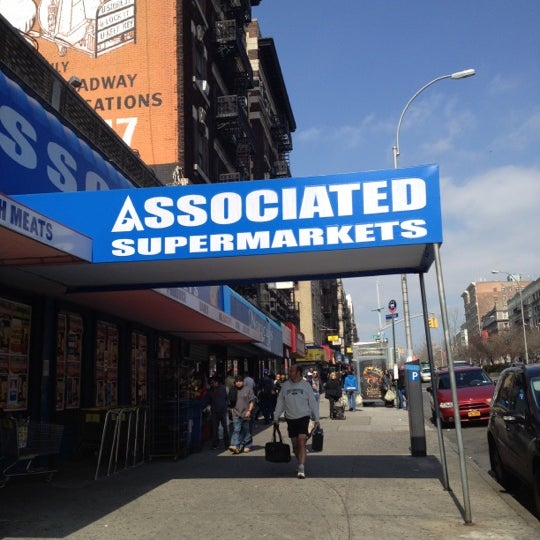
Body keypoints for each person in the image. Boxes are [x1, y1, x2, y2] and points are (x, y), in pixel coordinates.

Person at [273, 364, 320, 479]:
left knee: (301, 441)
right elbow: (280, 402)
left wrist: (317, 418)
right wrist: (276, 417)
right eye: (289, 371)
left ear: (298, 372)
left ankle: (301, 468)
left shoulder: (305, 385)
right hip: (290, 418)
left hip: (303, 417)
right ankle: (300, 462)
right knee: (295, 445)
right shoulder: (285, 386)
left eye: (292, 371)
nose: (289, 372)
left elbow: (312, 402)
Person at [228, 375, 255, 454]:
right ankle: (234, 445)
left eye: (240, 381)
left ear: (243, 381)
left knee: (247, 431)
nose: (238, 383)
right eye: (236, 381)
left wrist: (249, 411)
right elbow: (230, 401)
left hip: (246, 413)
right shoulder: (233, 390)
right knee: (236, 430)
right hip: (236, 413)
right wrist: (231, 410)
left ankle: (247, 445)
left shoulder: (248, 389)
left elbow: (252, 401)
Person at [204, 376, 230, 449]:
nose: (211, 385)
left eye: (212, 383)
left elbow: (228, 399)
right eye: (210, 383)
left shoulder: (224, 388)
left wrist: (229, 408)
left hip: (223, 411)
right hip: (214, 412)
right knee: (215, 429)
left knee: (226, 428)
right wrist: (208, 406)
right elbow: (207, 400)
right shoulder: (210, 391)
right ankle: (215, 443)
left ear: (216, 382)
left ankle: (227, 443)